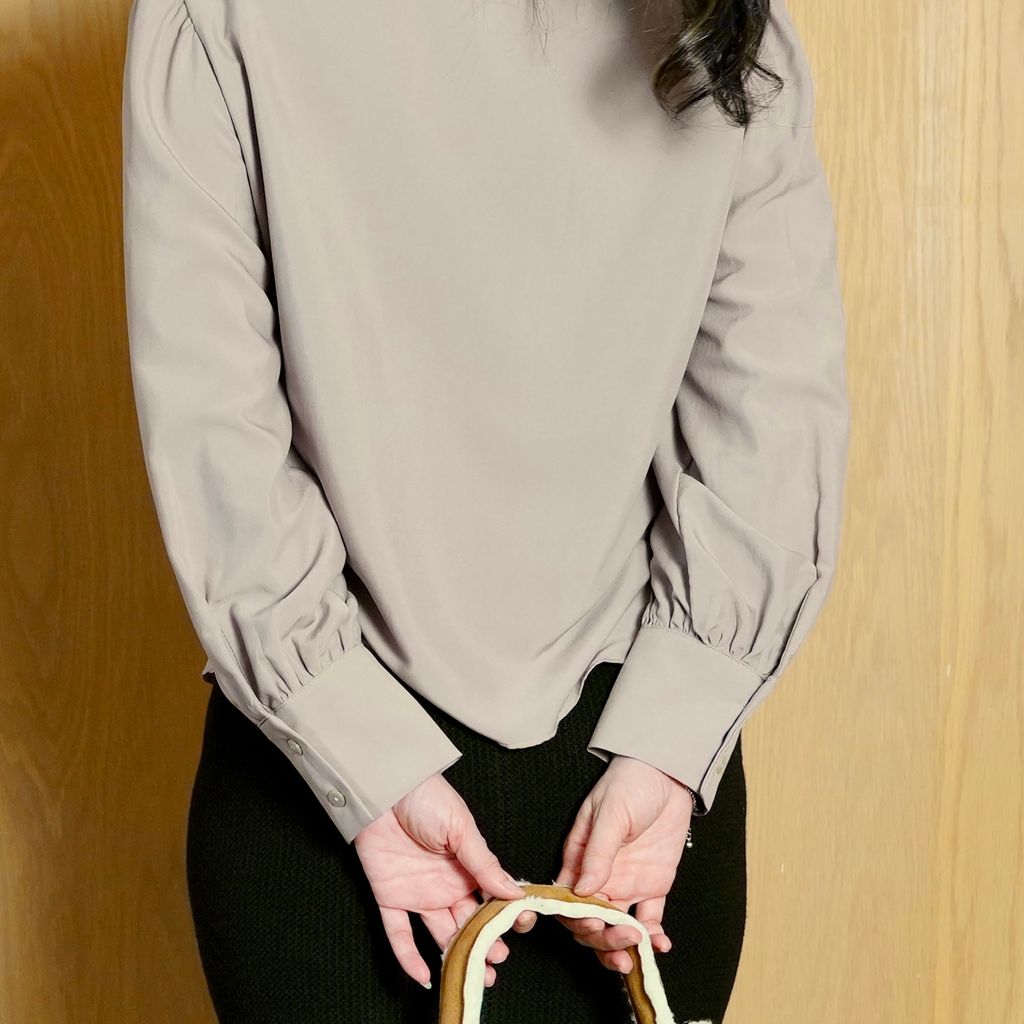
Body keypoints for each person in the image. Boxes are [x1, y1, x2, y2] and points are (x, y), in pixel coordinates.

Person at [120, 0, 850, 1020]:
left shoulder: (213, 17)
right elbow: (772, 428)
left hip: (338, 790)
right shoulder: (727, 27)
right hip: (632, 792)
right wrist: (673, 734)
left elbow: (218, 435)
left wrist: (354, 739)